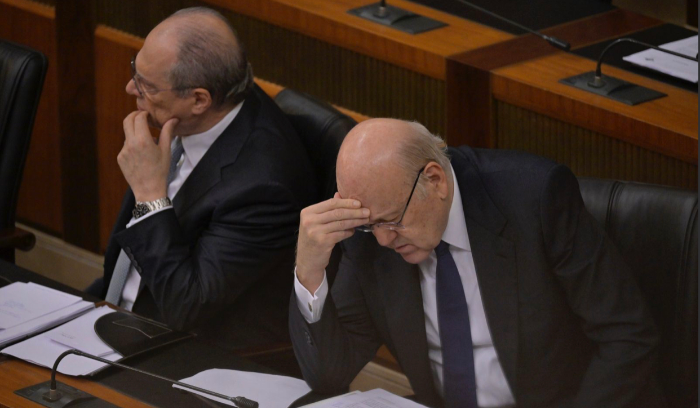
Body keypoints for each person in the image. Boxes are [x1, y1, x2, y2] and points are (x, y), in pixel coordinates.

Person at [290, 118, 665, 407]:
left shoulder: (535, 199)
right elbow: (329, 375)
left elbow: (627, 336)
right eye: (370, 226)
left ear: (435, 180)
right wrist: (309, 270)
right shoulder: (371, 232)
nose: (384, 240)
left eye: (392, 222)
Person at [88, 7, 317, 348]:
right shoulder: (211, 104)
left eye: (146, 86)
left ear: (198, 100)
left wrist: (150, 195)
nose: (129, 88)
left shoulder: (263, 188)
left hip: (180, 350)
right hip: (112, 313)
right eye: (136, 71)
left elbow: (186, 307)